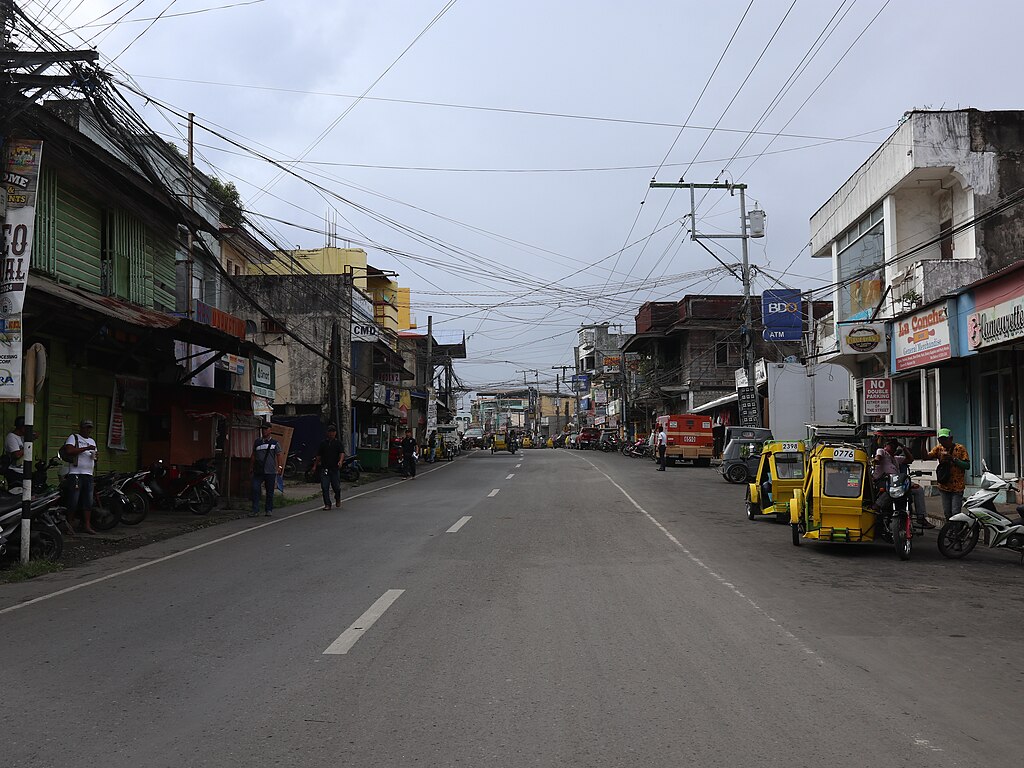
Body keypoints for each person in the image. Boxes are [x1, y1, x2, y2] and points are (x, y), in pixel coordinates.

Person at [872, 438, 932, 528]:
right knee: (891, 489)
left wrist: (903, 447)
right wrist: (876, 460)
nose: (893, 447)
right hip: (884, 480)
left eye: (895, 446)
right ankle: (877, 506)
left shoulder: (896, 459)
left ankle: (921, 517)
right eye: (891, 445)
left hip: (898, 481)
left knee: (918, 489)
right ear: (885, 446)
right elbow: (878, 457)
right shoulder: (882, 452)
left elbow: (910, 459)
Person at [63, 419, 99, 534]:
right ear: (81, 428)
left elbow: (95, 456)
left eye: (90, 428)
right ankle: (70, 525)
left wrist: (96, 456)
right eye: (86, 427)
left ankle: (87, 526)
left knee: (88, 501)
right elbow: (69, 450)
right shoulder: (74, 437)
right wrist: (86, 448)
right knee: (73, 500)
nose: (88, 430)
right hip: (76, 474)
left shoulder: (92, 441)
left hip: (88, 474)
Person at [927, 428, 971, 520]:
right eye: (940, 440)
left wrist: (953, 459)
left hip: (957, 487)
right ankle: (949, 531)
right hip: (944, 486)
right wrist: (923, 442)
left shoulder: (960, 448)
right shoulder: (938, 448)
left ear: (951, 439)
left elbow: (967, 465)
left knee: (956, 512)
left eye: (944, 439)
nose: (943, 442)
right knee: (947, 512)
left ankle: (957, 530)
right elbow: (926, 456)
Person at [250, 422, 282, 517]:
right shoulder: (257, 442)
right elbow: (253, 456)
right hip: (259, 471)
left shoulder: (275, 443)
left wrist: (280, 467)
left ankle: (268, 509)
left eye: (265, 429)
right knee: (255, 489)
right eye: (262, 429)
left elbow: (279, 455)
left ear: (270, 430)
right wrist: (251, 467)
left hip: (270, 471)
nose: (263, 431)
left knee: (269, 491)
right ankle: (255, 510)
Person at [314, 424, 345, 510]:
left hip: (334, 469)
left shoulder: (338, 443)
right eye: (330, 432)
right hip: (325, 469)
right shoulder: (323, 443)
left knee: (336, 487)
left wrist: (340, 461)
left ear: (335, 433)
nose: (331, 433)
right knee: (324, 487)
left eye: (333, 432)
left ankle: (337, 498)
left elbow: (342, 453)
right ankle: (327, 504)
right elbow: (319, 456)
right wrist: (315, 466)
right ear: (327, 433)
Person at [4, 415, 28, 490]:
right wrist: (28, 447)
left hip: (22, 472)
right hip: (14, 472)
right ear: (22, 427)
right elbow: (17, 454)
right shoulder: (11, 437)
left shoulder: (22, 437)